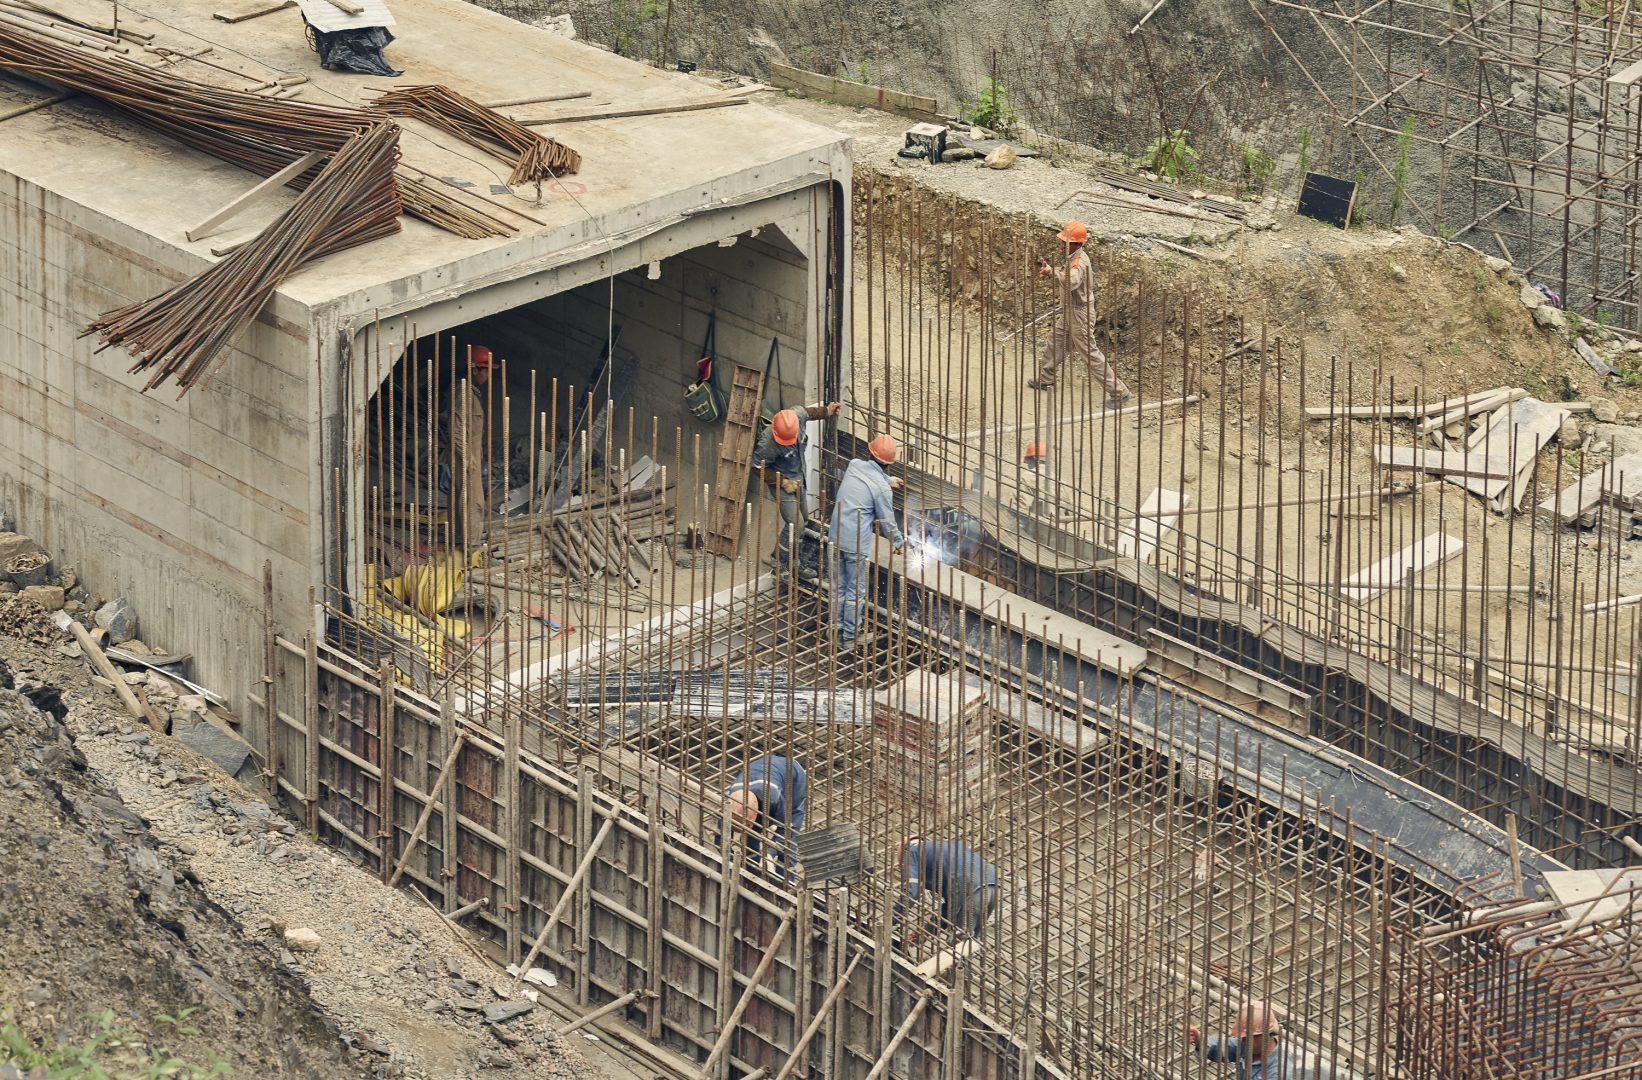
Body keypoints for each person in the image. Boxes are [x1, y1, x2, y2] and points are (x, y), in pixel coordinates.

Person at [1026, 221, 1130, 406]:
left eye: (1064, 242)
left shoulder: (1079, 262)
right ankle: (1046, 378)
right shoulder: (1072, 256)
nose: (1061, 245)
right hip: (1070, 312)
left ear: (1076, 243)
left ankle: (1119, 392)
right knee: (1056, 341)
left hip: (1079, 314)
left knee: (1090, 353)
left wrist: (1052, 272)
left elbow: (1072, 282)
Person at [828, 436, 905, 650]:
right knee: (855, 591)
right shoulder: (882, 489)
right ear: (889, 463)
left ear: (869, 452)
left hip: (834, 536)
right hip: (855, 544)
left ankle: (835, 628)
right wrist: (899, 543)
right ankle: (851, 637)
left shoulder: (854, 465)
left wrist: (887, 481)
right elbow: (887, 521)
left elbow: (867, 478)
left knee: (837, 587)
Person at [750, 401, 842, 581]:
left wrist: (827, 411)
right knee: (796, 524)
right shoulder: (768, 442)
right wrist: (783, 482)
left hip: (799, 477)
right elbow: (757, 468)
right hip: (781, 481)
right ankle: (779, 564)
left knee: (804, 520)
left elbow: (810, 412)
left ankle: (795, 564)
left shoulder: (797, 415)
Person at [1189, 1000, 1352, 1079]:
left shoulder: (1281, 1071)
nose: (1245, 1041)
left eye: (1250, 1038)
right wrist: (1201, 1042)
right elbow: (1224, 1047)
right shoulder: (1250, 1046)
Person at [444, 345, 499, 552]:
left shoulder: (468, 390)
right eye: (485, 371)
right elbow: (456, 429)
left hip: (469, 450)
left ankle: (459, 539)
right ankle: (472, 546)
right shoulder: (464, 393)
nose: (488, 375)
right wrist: (467, 456)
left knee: (460, 495)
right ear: (474, 369)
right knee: (473, 500)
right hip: (464, 453)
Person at [893, 838, 999, 940]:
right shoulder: (943, 850)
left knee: (958, 942)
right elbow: (948, 909)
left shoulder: (912, 852)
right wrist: (926, 931)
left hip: (969, 887)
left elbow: (911, 892)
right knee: (970, 940)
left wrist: (890, 919)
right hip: (993, 885)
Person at [726, 754, 808, 881]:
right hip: (762, 775)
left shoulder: (774, 798)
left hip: (794, 778)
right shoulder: (731, 799)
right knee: (750, 838)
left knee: (788, 844)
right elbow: (721, 834)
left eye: (748, 824)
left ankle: (785, 882)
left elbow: (785, 830)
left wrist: (770, 854)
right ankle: (753, 876)